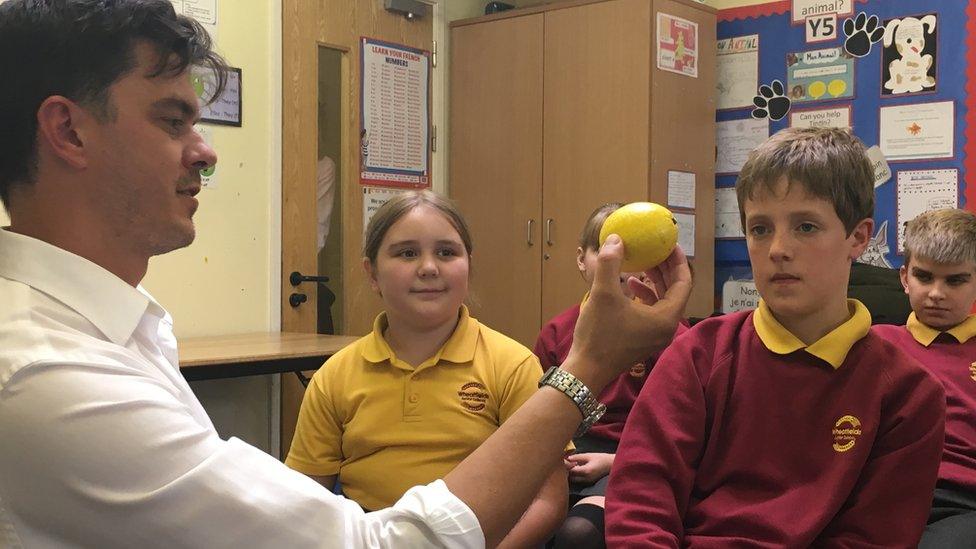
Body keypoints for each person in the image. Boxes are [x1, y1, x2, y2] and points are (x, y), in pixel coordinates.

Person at [0, 1, 693, 546]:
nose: (205, 152)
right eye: (174, 120)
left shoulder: (124, 324)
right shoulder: (47, 374)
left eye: (446, 252)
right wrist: (589, 365)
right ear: (68, 130)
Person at [605, 127, 947, 546]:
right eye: (760, 228)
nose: (777, 249)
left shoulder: (909, 394)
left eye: (805, 226)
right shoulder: (698, 354)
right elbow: (641, 500)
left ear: (857, 237)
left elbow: (875, 537)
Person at [287, 190, 567, 547]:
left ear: (469, 264)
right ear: (371, 273)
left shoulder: (512, 366)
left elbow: (548, 500)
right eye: (407, 253)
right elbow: (307, 497)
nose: (429, 267)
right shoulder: (335, 376)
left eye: (447, 252)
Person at [534, 203, 686, 549]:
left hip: (630, 456)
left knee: (579, 534)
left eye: (632, 255)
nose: (620, 266)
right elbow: (536, 413)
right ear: (581, 259)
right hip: (562, 455)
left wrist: (614, 462)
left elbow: (679, 431)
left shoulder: (665, 333)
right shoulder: (557, 330)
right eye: (606, 251)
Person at [873, 208, 976, 548]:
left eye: (955, 280)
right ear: (904, 278)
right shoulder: (874, 344)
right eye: (924, 276)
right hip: (884, 492)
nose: (936, 293)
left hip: (962, 500)